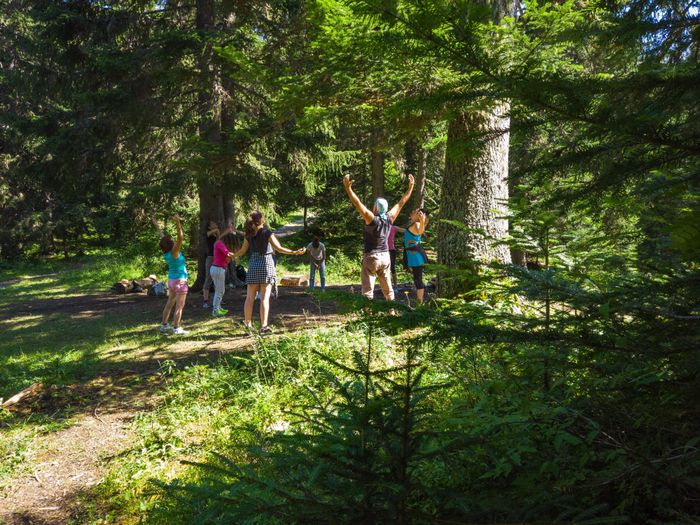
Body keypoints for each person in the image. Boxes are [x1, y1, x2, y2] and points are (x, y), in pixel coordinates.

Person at [231, 211, 306, 333]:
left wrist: (232, 256)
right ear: (261, 221)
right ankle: (264, 326)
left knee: (249, 298)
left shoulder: (248, 235)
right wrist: (294, 252)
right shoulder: (267, 233)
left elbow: (242, 251)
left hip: (253, 265)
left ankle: (248, 325)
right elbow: (279, 248)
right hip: (266, 264)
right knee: (264, 298)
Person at [343, 173, 414, 301]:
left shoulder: (371, 219)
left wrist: (348, 188)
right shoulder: (390, 217)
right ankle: (391, 311)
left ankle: (368, 314)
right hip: (385, 257)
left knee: (367, 291)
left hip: (371, 257)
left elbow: (357, 203)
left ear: (375, 207)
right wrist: (411, 187)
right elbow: (401, 203)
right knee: (388, 290)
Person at [152, 215, 189, 335]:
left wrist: (155, 222)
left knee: (169, 304)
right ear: (170, 243)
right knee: (179, 306)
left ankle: (164, 325)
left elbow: (161, 236)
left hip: (172, 281)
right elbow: (180, 237)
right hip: (180, 281)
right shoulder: (174, 252)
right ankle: (177, 328)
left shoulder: (167, 252)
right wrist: (178, 223)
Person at [210, 231, 239, 317]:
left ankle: (218, 307)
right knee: (219, 291)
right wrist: (236, 255)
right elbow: (228, 254)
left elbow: (227, 258)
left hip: (218, 268)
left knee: (220, 290)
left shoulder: (219, 243)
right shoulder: (220, 244)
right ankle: (215, 310)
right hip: (218, 269)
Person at [404, 208, 428, 305]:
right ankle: (420, 302)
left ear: (418, 215)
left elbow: (420, 231)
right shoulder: (413, 224)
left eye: (413, 212)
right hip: (414, 256)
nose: (411, 213)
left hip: (416, 257)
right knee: (417, 278)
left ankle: (420, 304)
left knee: (418, 280)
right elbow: (408, 233)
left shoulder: (418, 224)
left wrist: (422, 220)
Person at [202, 220, 220, 308]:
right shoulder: (208, 234)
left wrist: (218, 233)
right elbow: (208, 234)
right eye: (213, 223)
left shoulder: (216, 234)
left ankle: (217, 300)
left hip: (217, 258)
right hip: (210, 258)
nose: (215, 224)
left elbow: (219, 242)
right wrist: (216, 230)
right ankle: (205, 301)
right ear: (209, 227)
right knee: (208, 278)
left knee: (218, 278)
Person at [388, 224, 405, 289]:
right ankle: (386, 286)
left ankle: (395, 286)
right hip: (382, 250)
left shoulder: (393, 227)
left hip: (391, 250)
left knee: (392, 268)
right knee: (382, 269)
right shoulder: (381, 226)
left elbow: (406, 231)